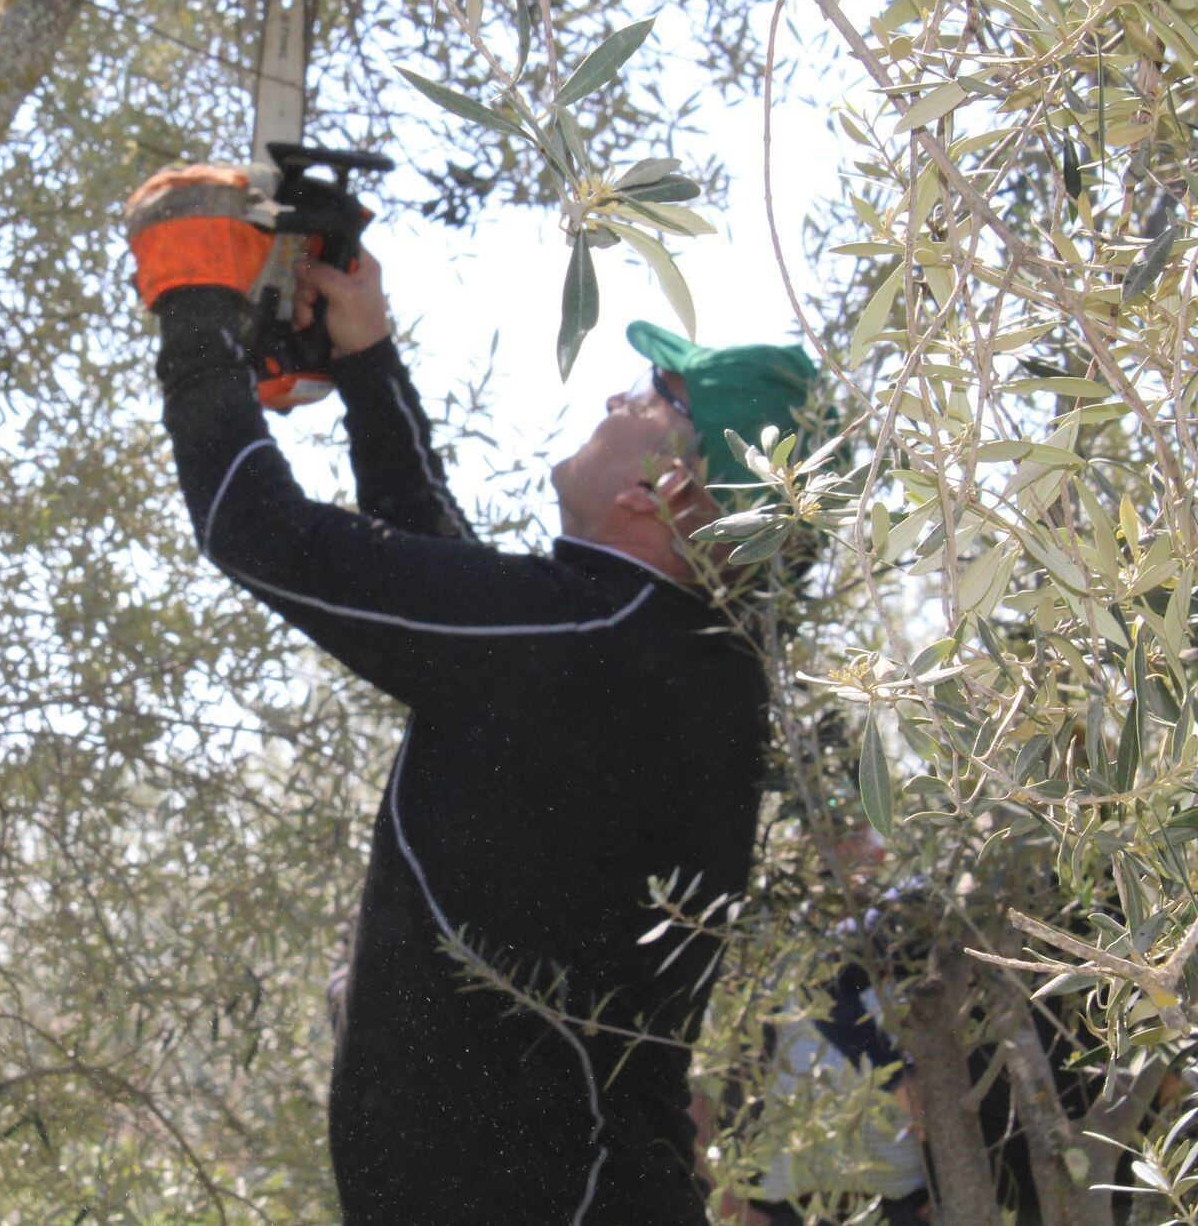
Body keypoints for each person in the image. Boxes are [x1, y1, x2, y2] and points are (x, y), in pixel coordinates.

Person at [125, 163, 819, 1223]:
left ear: (667, 490)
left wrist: (191, 305)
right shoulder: (663, 656)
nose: (612, 396)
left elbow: (255, 531)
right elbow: (464, 613)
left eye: (651, 397)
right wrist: (366, 365)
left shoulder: (584, 646)